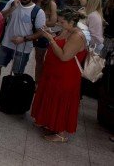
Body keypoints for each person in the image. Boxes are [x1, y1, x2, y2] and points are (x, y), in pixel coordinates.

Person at [31, 9, 87, 142]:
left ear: (72, 22)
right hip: (54, 72)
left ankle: (60, 133)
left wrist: (50, 39)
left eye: (62, 22)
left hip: (66, 74)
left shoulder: (77, 36)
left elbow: (64, 56)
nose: (60, 24)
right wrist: (50, 34)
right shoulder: (67, 30)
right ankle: (48, 122)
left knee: (61, 100)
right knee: (50, 95)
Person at [0, 0, 46, 87]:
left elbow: (41, 32)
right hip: (6, 43)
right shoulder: (12, 3)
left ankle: (13, 92)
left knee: (17, 72)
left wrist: (24, 39)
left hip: (23, 48)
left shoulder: (38, 12)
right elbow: (1, 17)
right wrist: (13, 7)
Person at [32, 0, 57, 80]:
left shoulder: (51, 4)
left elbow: (53, 22)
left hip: (42, 34)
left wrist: (36, 21)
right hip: (28, 32)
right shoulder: (31, 2)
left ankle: (37, 81)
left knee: (39, 59)